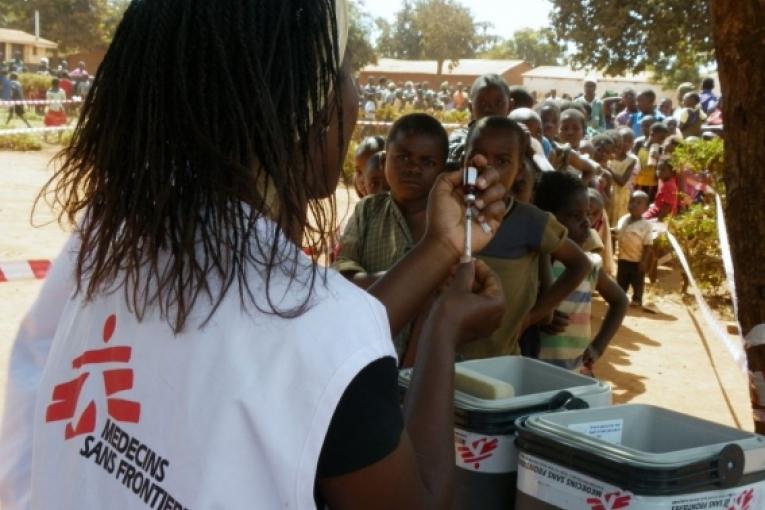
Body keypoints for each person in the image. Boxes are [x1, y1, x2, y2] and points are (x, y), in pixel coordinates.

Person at [0, 2, 511, 509]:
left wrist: (442, 247)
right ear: (300, 111)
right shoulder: (320, 329)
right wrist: (443, 327)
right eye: (346, 71)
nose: (353, 95)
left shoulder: (107, 239)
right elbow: (315, 356)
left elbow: (297, 355)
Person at [460, 116, 592, 359]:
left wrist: (532, 317)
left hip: (499, 361)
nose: (488, 167)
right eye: (478, 156)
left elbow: (580, 264)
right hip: (443, 355)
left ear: (519, 170)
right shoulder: (449, 213)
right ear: (464, 160)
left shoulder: (531, 221)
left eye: (502, 161)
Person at [333, 113, 449, 358]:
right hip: (366, 349)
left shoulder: (449, 222)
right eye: (403, 157)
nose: (413, 168)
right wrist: (412, 281)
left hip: (429, 355)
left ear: (442, 170)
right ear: (385, 160)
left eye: (427, 162)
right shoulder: (367, 210)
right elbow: (342, 275)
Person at [535, 172, 628, 374]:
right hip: (531, 370)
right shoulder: (528, 265)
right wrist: (539, 316)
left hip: (574, 373)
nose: (586, 223)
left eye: (588, 214)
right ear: (548, 219)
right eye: (575, 216)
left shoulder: (591, 265)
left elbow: (620, 301)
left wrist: (597, 347)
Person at [615, 191, 654, 308]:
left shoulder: (646, 225)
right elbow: (617, 234)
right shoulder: (623, 219)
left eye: (639, 203)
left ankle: (637, 299)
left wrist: (644, 261)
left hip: (637, 260)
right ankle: (620, 298)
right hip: (623, 257)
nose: (634, 205)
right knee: (621, 280)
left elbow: (648, 245)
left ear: (646, 208)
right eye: (632, 201)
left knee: (637, 282)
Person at [608, 127, 640, 223]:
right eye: (623, 140)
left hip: (621, 195)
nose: (625, 143)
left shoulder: (631, 160)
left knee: (618, 218)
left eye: (629, 141)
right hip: (608, 192)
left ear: (632, 144)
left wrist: (607, 169)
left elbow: (622, 182)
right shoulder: (609, 156)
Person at [634, 122, 669, 201]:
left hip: (652, 185)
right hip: (637, 182)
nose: (662, 141)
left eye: (664, 139)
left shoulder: (661, 149)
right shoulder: (639, 144)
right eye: (661, 138)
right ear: (652, 134)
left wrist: (659, 158)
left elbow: (665, 166)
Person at [643, 156, 679, 220]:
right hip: (656, 210)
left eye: (663, 169)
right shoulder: (663, 181)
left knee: (640, 219)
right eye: (658, 168)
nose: (659, 171)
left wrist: (658, 220)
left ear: (672, 172)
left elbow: (667, 206)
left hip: (659, 215)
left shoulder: (669, 185)